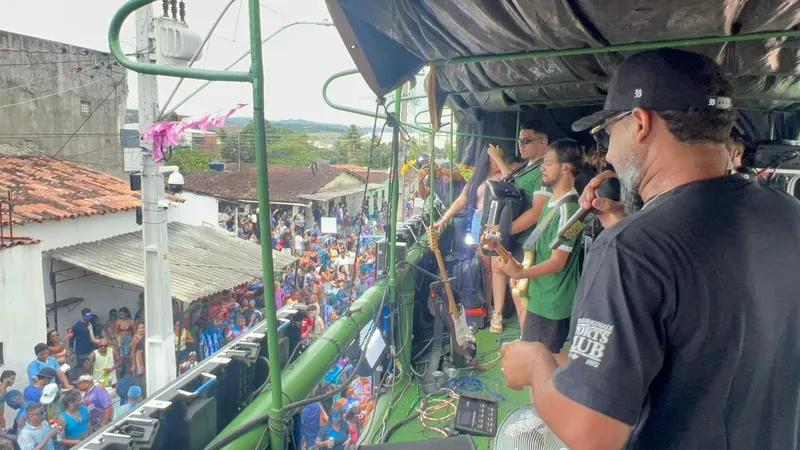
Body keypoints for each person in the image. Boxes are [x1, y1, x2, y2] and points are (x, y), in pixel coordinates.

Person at [500, 48, 800, 449]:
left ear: (640, 122)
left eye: (608, 133)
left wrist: (537, 364)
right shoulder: (788, 212)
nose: (606, 153)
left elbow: (593, 433)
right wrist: (630, 228)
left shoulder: (630, 251)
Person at [498, 139, 583, 380]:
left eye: (547, 162)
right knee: (545, 357)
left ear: (566, 168)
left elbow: (558, 262)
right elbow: (540, 249)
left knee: (544, 363)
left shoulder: (569, 209)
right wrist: (520, 271)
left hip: (552, 302)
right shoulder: (553, 203)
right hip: (540, 296)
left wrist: (520, 274)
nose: (541, 167)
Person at [487, 121, 552, 334]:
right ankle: (517, 331)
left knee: (522, 293)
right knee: (508, 280)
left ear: (543, 143)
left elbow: (537, 212)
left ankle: (527, 340)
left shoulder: (543, 171)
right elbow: (511, 181)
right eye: (519, 141)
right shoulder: (528, 166)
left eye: (526, 141)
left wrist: (505, 230)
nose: (521, 146)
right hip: (516, 237)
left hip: (529, 242)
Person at [433, 145, 511, 316]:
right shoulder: (478, 178)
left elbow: (512, 181)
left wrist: (497, 158)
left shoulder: (505, 174)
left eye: (501, 155)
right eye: (496, 155)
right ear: (487, 157)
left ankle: (498, 310)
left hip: (497, 222)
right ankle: (487, 306)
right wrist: (445, 219)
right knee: (485, 268)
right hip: (479, 221)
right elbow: (462, 199)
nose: (500, 158)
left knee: (497, 266)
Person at [417, 159, 470, 257]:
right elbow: (423, 195)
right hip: (456, 214)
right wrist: (420, 180)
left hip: (468, 207)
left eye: (427, 164)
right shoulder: (430, 179)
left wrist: (440, 170)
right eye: (424, 167)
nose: (428, 168)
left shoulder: (447, 165)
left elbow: (458, 176)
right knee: (461, 245)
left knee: (474, 242)